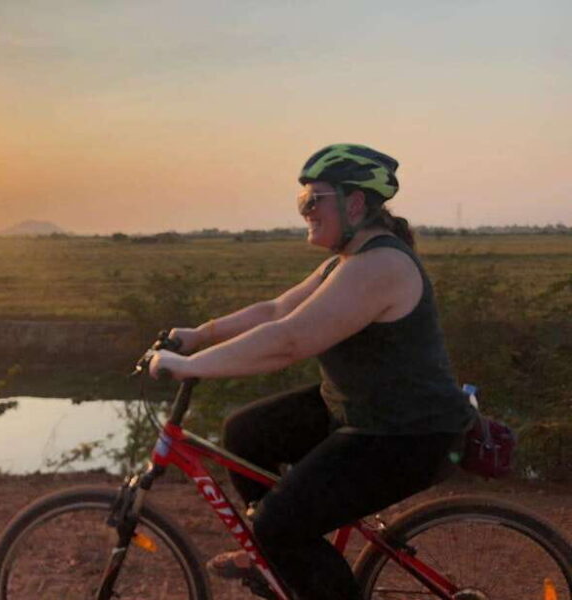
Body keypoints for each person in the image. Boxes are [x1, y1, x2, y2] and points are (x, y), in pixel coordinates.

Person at [148, 143, 476, 600]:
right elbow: (276, 309)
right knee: (245, 433)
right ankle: (276, 562)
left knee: (279, 526)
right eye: (302, 201)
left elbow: (290, 340)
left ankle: (279, 546)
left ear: (355, 202)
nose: (305, 211)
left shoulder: (381, 265)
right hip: (365, 413)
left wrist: (191, 366)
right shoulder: (345, 262)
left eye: (312, 200)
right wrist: (198, 335)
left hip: (407, 435)